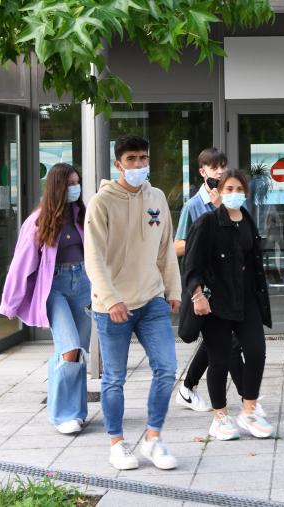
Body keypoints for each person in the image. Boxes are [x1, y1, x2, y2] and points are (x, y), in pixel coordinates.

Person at [84, 134, 181, 471]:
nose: (139, 165)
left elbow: (165, 246)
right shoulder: (101, 202)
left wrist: (174, 289)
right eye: (132, 159)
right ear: (118, 164)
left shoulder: (156, 197)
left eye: (143, 158)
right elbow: (93, 257)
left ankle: (153, 438)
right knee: (114, 377)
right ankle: (117, 443)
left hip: (151, 299)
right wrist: (110, 300)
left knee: (167, 369)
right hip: (113, 307)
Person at [182, 169, 274, 440]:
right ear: (219, 192)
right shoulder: (206, 223)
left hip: (246, 301)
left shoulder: (246, 220)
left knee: (257, 352)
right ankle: (220, 417)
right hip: (216, 304)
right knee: (219, 360)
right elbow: (191, 266)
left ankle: (249, 411)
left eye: (239, 189)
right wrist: (197, 296)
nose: (234, 194)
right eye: (229, 189)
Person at [0, 163, 90, 435]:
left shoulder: (83, 215)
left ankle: (75, 411)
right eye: (70, 184)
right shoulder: (38, 222)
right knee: (69, 348)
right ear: (57, 188)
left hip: (83, 285)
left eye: (78, 182)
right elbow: (21, 264)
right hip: (55, 288)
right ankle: (64, 415)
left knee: (77, 353)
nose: (76, 188)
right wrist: (10, 302)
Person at [172, 148, 260, 418]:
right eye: (214, 167)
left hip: (234, 289)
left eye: (223, 166)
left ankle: (189, 388)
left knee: (219, 346)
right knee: (227, 346)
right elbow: (177, 246)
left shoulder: (236, 204)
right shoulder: (194, 206)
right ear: (203, 172)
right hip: (209, 289)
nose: (220, 171)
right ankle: (243, 403)